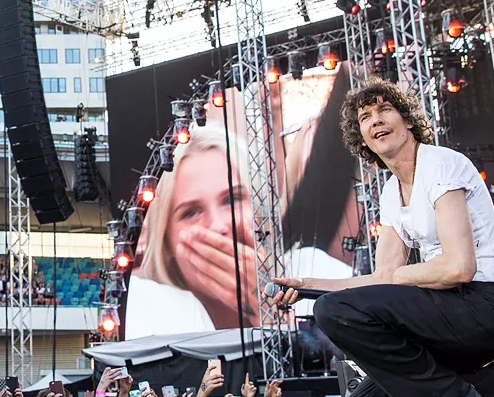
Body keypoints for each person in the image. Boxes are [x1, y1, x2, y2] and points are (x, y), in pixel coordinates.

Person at [270, 78, 494, 397]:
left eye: (385, 110)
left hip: (483, 307)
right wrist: (308, 286)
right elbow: (383, 275)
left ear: (408, 121)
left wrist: (399, 276)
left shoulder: (440, 164)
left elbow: (459, 267)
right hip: (443, 313)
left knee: (333, 310)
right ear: (362, 138)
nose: (376, 120)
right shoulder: (392, 191)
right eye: (365, 117)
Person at [130, 124, 351, 335]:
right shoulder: (146, 311)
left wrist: (267, 306)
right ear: (165, 241)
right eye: (191, 212)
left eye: (232, 199)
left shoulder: (316, 272)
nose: (219, 226)